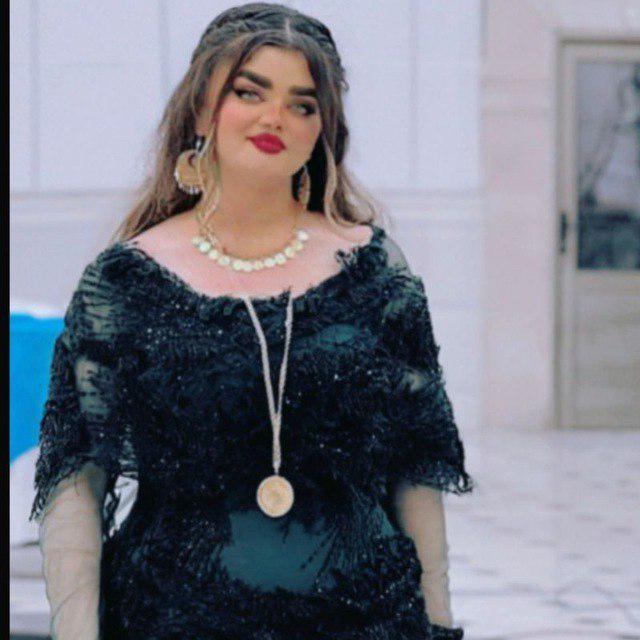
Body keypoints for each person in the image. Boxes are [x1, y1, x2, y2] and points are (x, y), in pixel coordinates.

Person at [28, 3, 475, 639]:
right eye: (250, 92)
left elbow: (417, 470)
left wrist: (439, 624)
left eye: (303, 104)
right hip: (172, 621)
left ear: (324, 128)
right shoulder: (124, 281)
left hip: (367, 619)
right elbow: (76, 478)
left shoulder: (375, 270)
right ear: (201, 108)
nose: (275, 118)